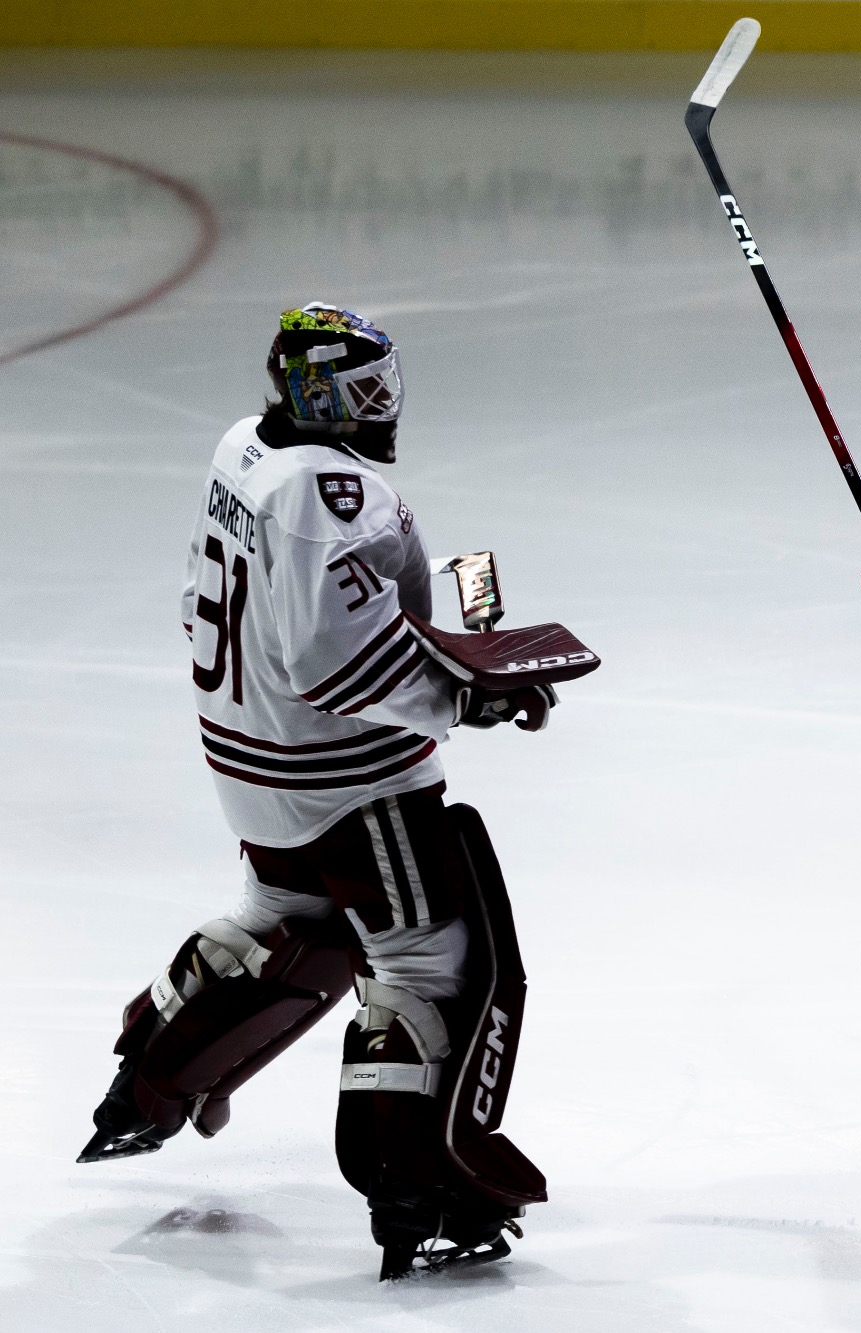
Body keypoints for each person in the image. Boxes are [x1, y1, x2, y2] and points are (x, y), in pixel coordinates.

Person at [78, 305, 556, 1279]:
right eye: (362, 392)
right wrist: (468, 694)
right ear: (316, 395)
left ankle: (153, 1078)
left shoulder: (244, 448)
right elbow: (334, 665)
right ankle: (414, 1181)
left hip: (253, 768)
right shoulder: (334, 493)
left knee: (287, 912)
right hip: (351, 790)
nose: (382, 409)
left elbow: (237, 610)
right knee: (433, 962)